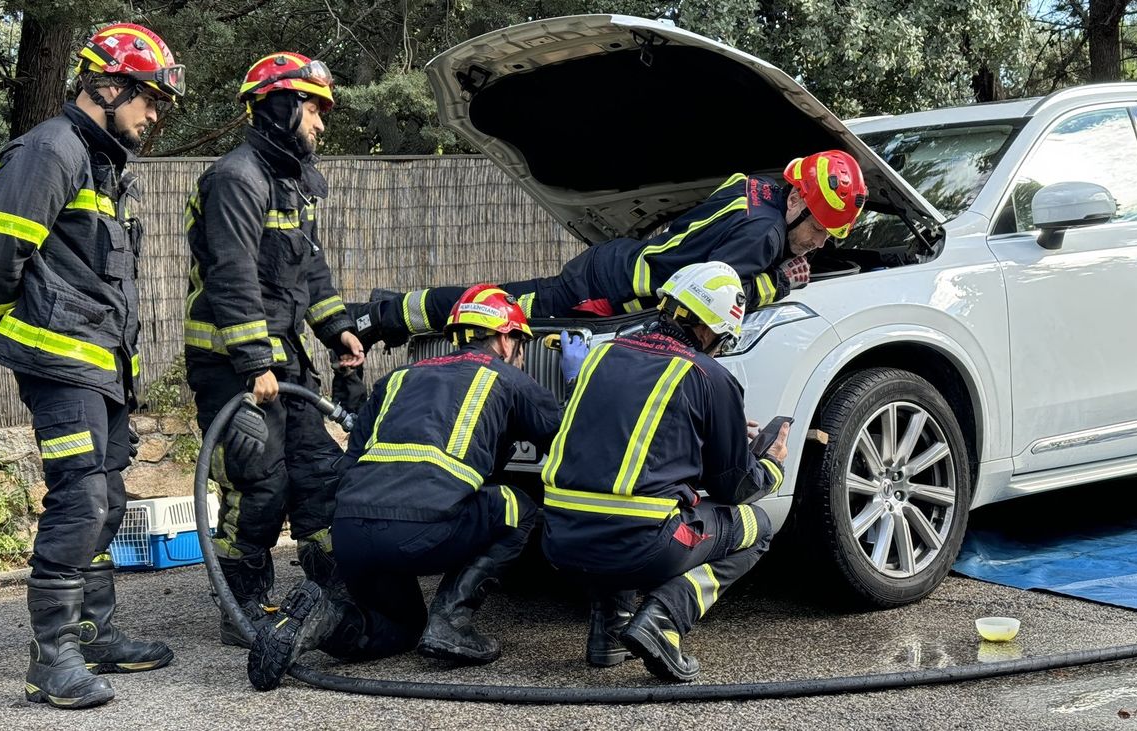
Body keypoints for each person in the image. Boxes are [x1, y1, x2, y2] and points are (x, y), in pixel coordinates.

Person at [0, 23, 184, 709]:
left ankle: (93, 631)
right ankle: (50, 655)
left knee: (106, 499)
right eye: (148, 98)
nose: (153, 115)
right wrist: (6, 321)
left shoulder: (103, 163)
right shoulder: (50, 149)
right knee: (80, 496)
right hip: (59, 363)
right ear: (108, 84)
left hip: (100, 367)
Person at [246, 285, 564, 690]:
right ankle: (451, 621)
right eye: (521, 344)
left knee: (398, 629)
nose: (520, 354)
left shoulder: (397, 378)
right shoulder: (506, 377)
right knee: (518, 506)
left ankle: (322, 621)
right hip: (421, 532)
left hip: (351, 533)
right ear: (505, 338)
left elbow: (352, 459)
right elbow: (566, 438)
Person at [182, 52, 364, 648]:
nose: (320, 123)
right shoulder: (237, 178)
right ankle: (243, 602)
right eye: (314, 108)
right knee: (257, 479)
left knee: (316, 469)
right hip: (232, 362)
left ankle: (334, 590)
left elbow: (308, 268)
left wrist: (336, 327)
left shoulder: (289, 184)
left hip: (283, 358)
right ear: (281, 105)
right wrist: (254, 362)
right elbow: (233, 275)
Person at [540, 261, 790, 682]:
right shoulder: (708, 375)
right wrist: (771, 464)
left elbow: (621, 436)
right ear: (710, 329)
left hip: (560, 541)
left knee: (619, 501)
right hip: (644, 546)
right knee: (757, 526)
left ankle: (610, 633)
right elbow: (734, 486)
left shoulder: (599, 356)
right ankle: (665, 619)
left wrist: (698, 431)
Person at [349, 151, 867, 350]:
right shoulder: (768, 237)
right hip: (604, 292)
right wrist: (782, 280)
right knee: (495, 311)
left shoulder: (757, 190)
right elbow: (715, 300)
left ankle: (388, 310)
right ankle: (381, 315)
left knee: (503, 302)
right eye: (822, 227)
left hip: (616, 263)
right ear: (799, 199)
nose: (823, 242)